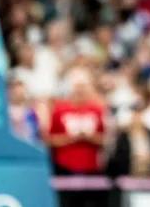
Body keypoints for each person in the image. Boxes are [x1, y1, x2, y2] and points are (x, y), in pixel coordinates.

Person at [46, 68, 107, 207]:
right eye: (77, 87)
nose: (80, 91)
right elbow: (50, 139)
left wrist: (88, 137)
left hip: (91, 168)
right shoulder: (60, 110)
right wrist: (71, 138)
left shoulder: (96, 110)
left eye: (83, 87)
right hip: (65, 166)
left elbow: (104, 139)